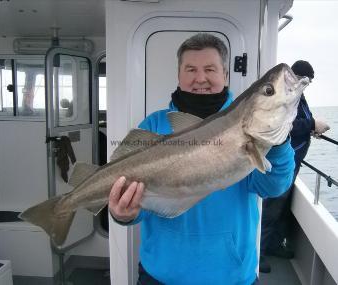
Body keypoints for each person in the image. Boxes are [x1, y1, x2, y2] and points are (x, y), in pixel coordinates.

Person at [108, 33, 295, 285]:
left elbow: (272, 186)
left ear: (225, 75)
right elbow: (139, 205)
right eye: (191, 69)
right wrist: (124, 213)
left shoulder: (247, 131)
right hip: (162, 276)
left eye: (210, 69)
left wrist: (279, 141)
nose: (200, 78)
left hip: (231, 277)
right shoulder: (153, 125)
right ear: (179, 75)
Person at [260, 60, 330, 273]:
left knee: (281, 209)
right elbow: (284, 126)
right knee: (271, 210)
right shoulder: (287, 97)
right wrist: (312, 125)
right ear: (296, 76)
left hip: (294, 165)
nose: (306, 84)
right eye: (305, 79)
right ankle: (259, 252)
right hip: (281, 164)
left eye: (309, 81)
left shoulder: (300, 97)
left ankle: (273, 245)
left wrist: (311, 130)